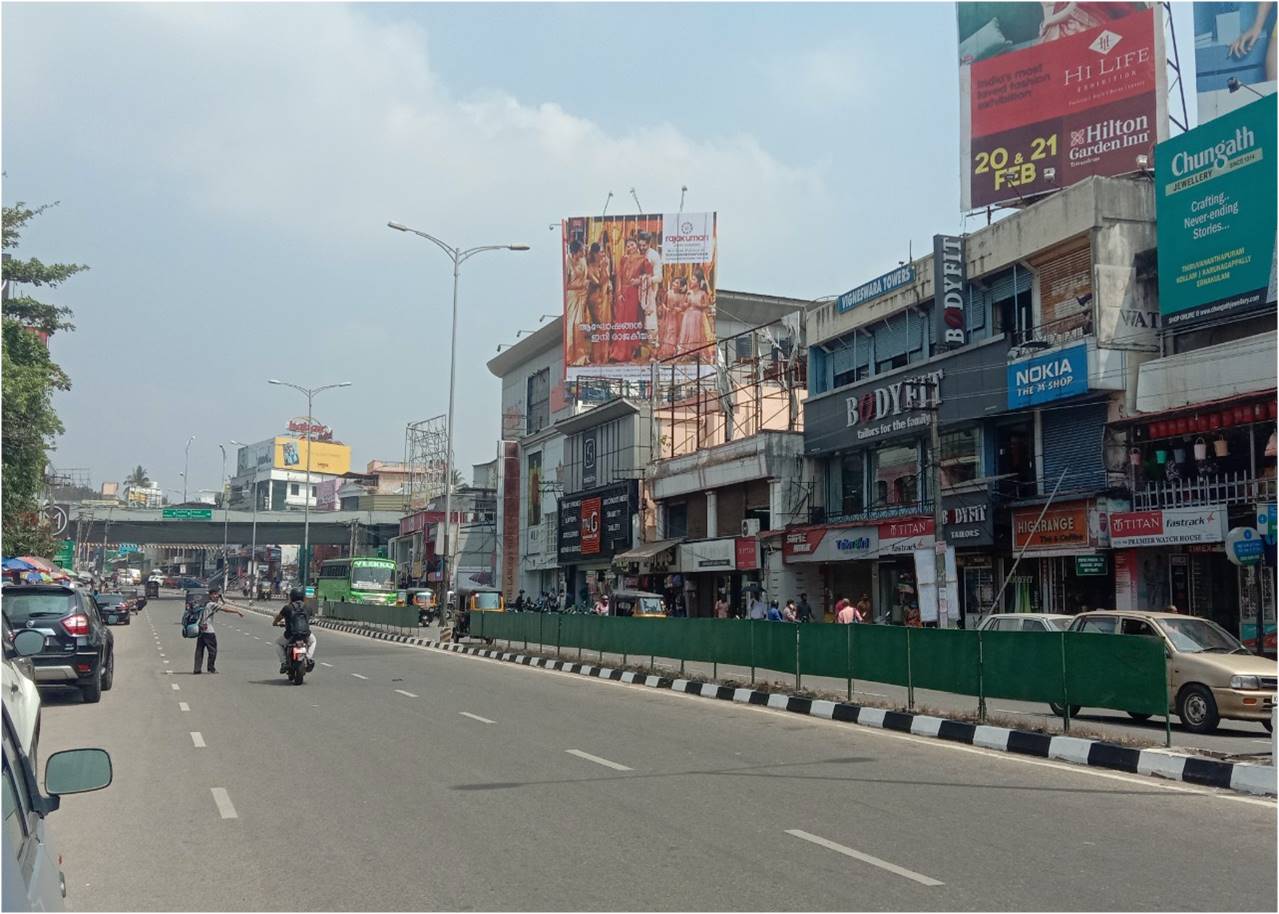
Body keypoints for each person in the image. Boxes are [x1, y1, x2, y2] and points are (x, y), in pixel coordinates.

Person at [194, 585, 244, 674]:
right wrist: (237, 611)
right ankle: (211, 668)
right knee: (213, 650)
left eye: (217, 594)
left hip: (201, 629)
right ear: (210, 595)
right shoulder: (211, 604)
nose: (216, 596)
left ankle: (197, 669)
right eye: (215, 594)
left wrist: (221, 599)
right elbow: (224, 609)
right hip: (208, 631)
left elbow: (221, 605)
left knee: (199, 650)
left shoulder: (206, 603)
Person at [272, 588, 317, 673]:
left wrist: (275, 623)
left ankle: (284, 663)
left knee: (278, 643)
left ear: (291, 597)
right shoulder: (307, 607)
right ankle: (308, 658)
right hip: (305, 635)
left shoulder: (287, 608)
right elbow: (312, 618)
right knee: (313, 641)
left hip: (291, 635)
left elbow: (279, 617)